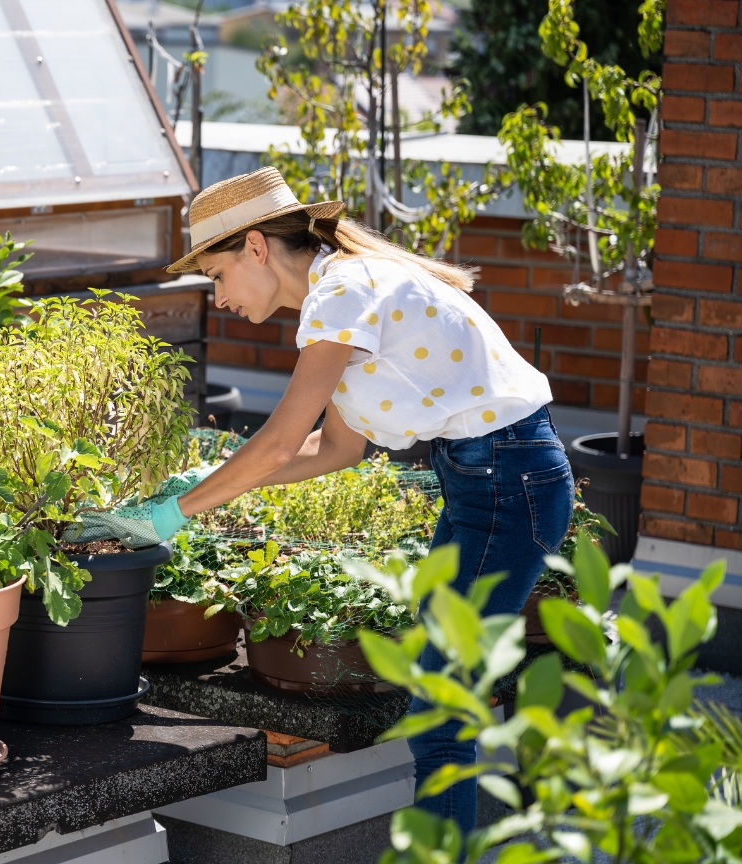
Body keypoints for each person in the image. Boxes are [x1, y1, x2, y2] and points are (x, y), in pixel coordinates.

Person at [76, 167, 573, 832]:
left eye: (216, 275)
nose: (217, 297)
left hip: (509, 482)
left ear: (255, 247)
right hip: (483, 480)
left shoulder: (341, 293)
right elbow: (335, 449)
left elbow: (281, 442)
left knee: (440, 704)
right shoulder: (343, 293)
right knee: (441, 691)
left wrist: (173, 514)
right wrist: (197, 488)